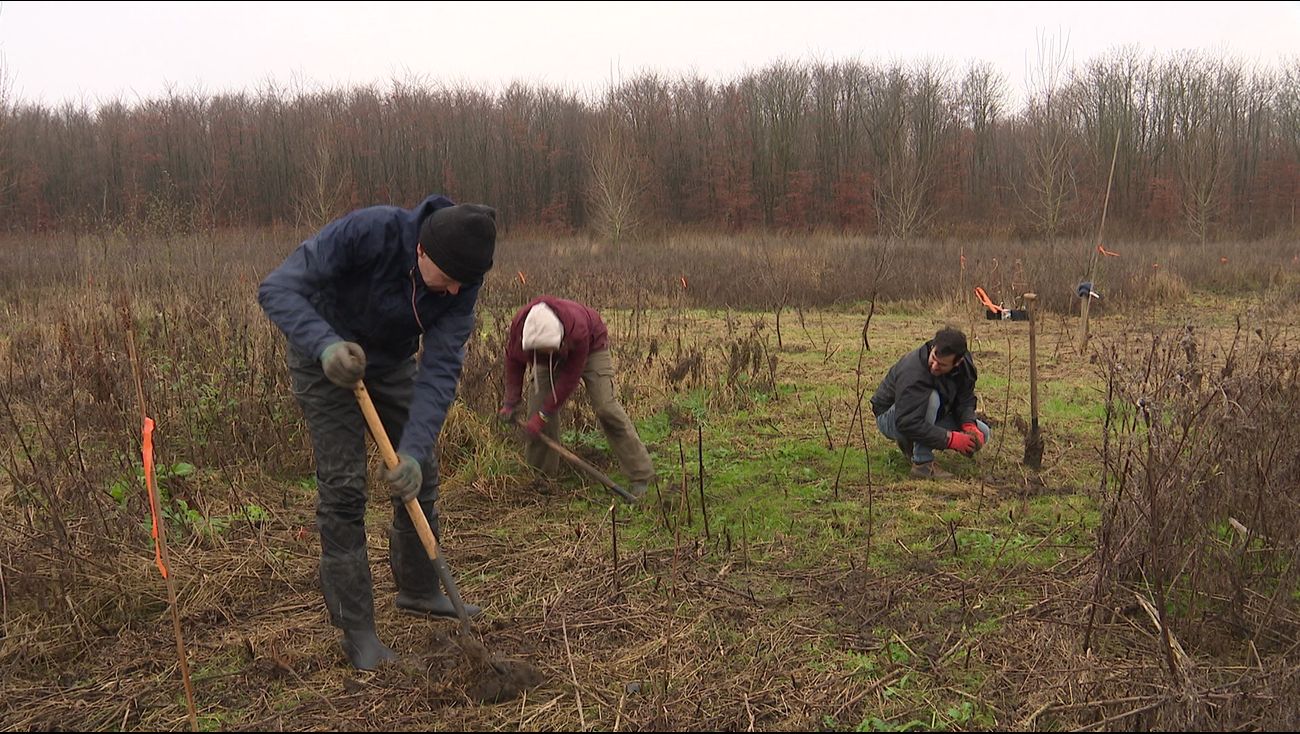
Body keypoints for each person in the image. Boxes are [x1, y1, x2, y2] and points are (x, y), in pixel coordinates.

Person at [258, 195, 496, 670]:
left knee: (421, 468)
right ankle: (358, 633)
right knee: (344, 490)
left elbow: (441, 369)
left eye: (462, 285)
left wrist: (410, 450)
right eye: (447, 280)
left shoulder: (461, 283)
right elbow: (277, 288)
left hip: (388, 364)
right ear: (422, 252)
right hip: (322, 357)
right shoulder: (369, 233)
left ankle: (419, 589)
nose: (452, 292)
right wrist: (325, 346)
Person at [497, 296, 655, 498]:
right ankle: (540, 479)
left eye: (549, 349)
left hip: (591, 347)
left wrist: (543, 414)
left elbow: (569, 379)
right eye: (540, 350)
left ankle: (641, 474)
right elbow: (514, 362)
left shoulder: (577, 328)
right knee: (537, 413)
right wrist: (511, 402)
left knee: (605, 407)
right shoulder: (520, 329)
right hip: (546, 356)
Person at [871, 326, 990, 479]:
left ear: (958, 362)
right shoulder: (913, 371)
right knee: (930, 398)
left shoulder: (964, 366)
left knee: (984, 432)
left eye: (942, 365)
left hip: (925, 414)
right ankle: (922, 464)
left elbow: (965, 398)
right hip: (891, 417)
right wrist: (950, 439)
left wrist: (969, 424)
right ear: (933, 346)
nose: (934, 366)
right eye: (934, 358)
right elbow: (906, 422)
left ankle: (911, 445)